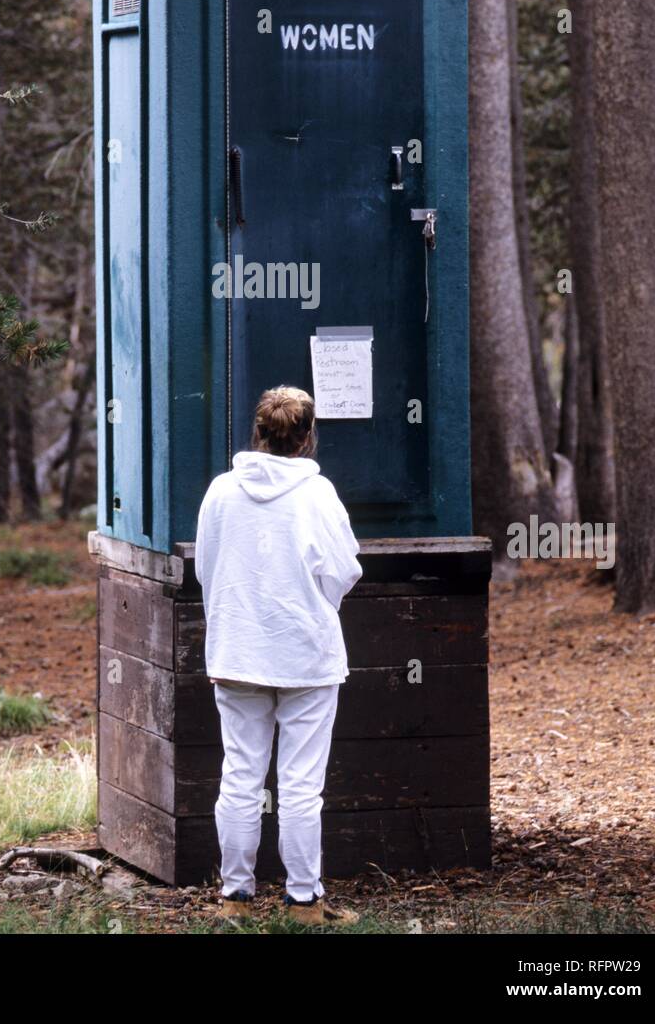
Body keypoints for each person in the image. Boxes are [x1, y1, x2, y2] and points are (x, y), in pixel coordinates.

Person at [194, 384, 363, 926]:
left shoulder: (221, 493)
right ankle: (304, 904)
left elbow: (207, 568)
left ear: (258, 433)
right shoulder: (319, 497)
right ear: (307, 437)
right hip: (306, 657)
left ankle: (234, 898)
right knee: (300, 787)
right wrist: (314, 605)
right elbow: (343, 570)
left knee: (240, 775)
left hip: (238, 652)